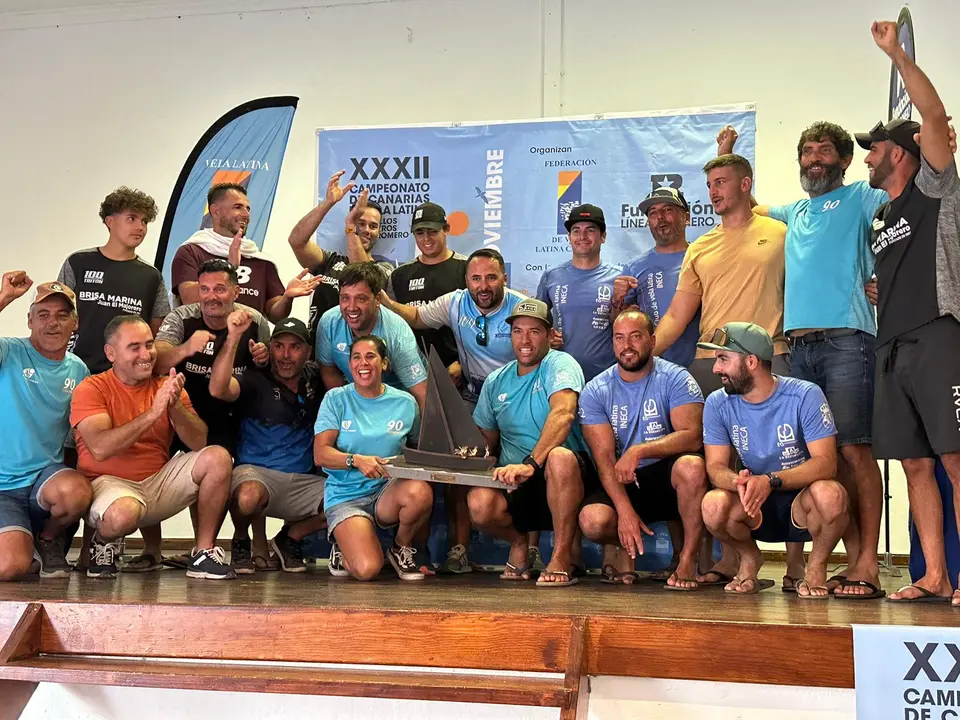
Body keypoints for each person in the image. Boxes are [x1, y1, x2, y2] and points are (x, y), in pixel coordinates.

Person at [719, 122, 886, 598]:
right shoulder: (795, 210)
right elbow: (748, 205)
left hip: (847, 341)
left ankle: (868, 565)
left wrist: (887, 280)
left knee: (854, 452)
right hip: (797, 348)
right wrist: (728, 152)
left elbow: (906, 203)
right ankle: (850, 564)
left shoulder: (861, 197)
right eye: (807, 151)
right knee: (824, 463)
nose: (814, 158)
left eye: (824, 150)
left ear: (844, 160)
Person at [861, 20, 960, 604]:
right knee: (914, 465)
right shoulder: (879, 217)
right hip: (891, 345)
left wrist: (897, 55)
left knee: (954, 457)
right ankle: (934, 576)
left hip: (938, 338)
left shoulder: (936, 189)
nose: (866, 157)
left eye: (872, 148)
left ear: (900, 152)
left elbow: (936, 118)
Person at [379, 248, 527, 573]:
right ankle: (459, 549)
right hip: (474, 398)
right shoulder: (455, 302)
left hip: (516, 400)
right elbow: (416, 317)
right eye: (476, 278)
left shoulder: (520, 305)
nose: (483, 285)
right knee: (461, 470)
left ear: (505, 277)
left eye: (491, 277)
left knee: (525, 469)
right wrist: (385, 302)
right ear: (467, 280)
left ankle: (533, 546)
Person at [70, 315, 235, 579]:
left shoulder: (165, 386)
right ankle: (102, 543)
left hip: (157, 485)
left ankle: (203, 552)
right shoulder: (92, 388)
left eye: (149, 345)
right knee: (123, 514)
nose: (146, 354)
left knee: (218, 457)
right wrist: (153, 412)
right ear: (111, 353)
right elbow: (100, 448)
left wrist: (174, 406)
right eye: (134, 347)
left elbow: (200, 443)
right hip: (109, 485)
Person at [699, 322, 849, 598]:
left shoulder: (804, 394)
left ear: (752, 362)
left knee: (831, 495)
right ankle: (749, 559)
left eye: (723, 359)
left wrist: (771, 480)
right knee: (712, 505)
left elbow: (827, 463)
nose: (715, 369)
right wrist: (737, 481)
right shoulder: (717, 402)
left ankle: (816, 567)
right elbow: (715, 468)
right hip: (754, 502)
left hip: (800, 501)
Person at [149, 259, 270, 571]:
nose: (211, 296)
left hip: (233, 409)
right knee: (155, 463)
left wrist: (263, 355)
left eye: (219, 288)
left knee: (240, 474)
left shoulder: (253, 319)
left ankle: (242, 544)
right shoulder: (182, 317)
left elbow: (266, 366)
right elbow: (158, 361)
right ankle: (165, 550)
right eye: (204, 289)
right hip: (183, 407)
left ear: (235, 291)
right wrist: (186, 348)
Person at [467, 299, 596, 587]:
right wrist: (457, 454)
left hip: (565, 475)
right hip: (517, 479)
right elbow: (484, 442)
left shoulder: (560, 363)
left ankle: (561, 557)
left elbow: (563, 413)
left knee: (560, 458)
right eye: (518, 331)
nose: (525, 340)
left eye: (534, 331)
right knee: (478, 501)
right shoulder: (495, 381)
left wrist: (531, 464)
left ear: (550, 336)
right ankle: (519, 542)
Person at [578, 310, 707, 589]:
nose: (627, 346)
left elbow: (693, 437)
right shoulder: (595, 389)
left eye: (636, 337)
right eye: (619, 338)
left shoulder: (676, 378)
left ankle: (687, 558)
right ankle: (622, 546)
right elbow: (603, 461)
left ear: (652, 339)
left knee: (692, 466)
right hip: (622, 479)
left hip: (664, 476)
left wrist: (639, 451)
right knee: (592, 522)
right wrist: (624, 511)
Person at [209, 315, 327, 573]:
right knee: (248, 496)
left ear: (308, 352)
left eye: (295, 347)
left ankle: (289, 538)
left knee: (347, 499)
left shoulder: (317, 378)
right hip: (255, 475)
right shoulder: (255, 378)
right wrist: (233, 337)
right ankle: (241, 538)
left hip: (302, 480)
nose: (285, 355)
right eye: (279, 346)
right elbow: (218, 390)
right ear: (269, 348)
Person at [314, 335, 432, 581]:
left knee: (420, 492)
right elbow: (320, 454)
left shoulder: (406, 402)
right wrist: (356, 460)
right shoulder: (336, 399)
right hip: (346, 495)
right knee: (367, 570)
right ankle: (343, 544)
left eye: (370, 356)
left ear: (385, 363)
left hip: (387, 491)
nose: (362, 363)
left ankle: (400, 547)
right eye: (356, 357)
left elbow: (416, 448)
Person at [0, 274, 90, 580]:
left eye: (62, 316)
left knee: (77, 490)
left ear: (74, 324)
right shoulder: (8, 351)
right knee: (10, 567)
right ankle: (26, 552)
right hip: (3, 490)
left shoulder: (78, 370)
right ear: (29, 321)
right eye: (43, 315)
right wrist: (4, 297)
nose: (53, 324)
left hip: (44, 482)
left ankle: (48, 539)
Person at [58, 186, 171, 374]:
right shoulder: (78, 262)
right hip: (75, 370)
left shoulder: (151, 276)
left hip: (125, 378)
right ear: (110, 221)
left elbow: (156, 332)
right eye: (131, 218)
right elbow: (59, 313)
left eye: (144, 221)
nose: (140, 227)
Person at [172, 182, 320, 322]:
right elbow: (190, 302)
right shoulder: (192, 251)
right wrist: (229, 268)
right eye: (238, 207)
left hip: (249, 346)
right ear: (215, 211)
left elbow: (275, 316)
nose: (246, 214)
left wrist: (287, 298)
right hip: (202, 344)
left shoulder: (259, 259)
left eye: (247, 209)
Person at [288, 173, 394, 337]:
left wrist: (351, 226)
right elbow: (297, 241)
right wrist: (328, 203)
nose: (367, 230)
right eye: (361, 223)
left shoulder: (384, 268)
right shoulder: (330, 261)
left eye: (373, 226)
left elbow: (362, 275)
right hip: (317, 352)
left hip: (360, 358)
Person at [316, 262, 427, 410]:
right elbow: (329, 373)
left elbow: (422, 394)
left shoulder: (397, 333)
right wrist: (348, 412)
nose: (351, 307)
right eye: (345, 298)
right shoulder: (329, 322)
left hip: (400, 403)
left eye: (361, 298)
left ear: (378, 299)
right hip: (358, 398)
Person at [612, 187, 701, 368]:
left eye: (667, 210)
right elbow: (619, 322)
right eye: (652, 213)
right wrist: (617, 300)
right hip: (655, 370)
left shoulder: (703, 259)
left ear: (686, 217)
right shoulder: (634, 267)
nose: (660, 217)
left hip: (701, 365)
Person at [537, 203, 620, 382]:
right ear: (569, 237)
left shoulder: (619, 277)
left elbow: (627, 324)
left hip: (608, 378)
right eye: (576, 230)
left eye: (590, 230)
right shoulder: (551, 276)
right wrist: (547, 338)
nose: (582, 236)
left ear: (603, 236)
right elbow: (536, 324)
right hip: (561, 377)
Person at [387, 201, 467, 372]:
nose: (426, 239)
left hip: (458, 373)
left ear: (446, 229)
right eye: (419, 232)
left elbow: (481, 322)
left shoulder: (467, 269)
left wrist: (462, 363)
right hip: (411, 373)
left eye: (432, 232)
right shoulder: (399, 275)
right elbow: (392, 326)